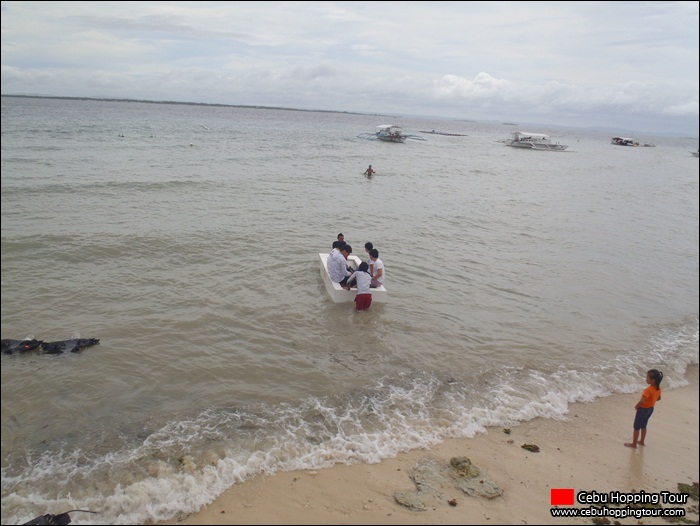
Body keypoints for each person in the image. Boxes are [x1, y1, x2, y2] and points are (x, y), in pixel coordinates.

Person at [624, 369, 663, 448]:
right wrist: (652, 400)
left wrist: (636, 406)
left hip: (643, 409)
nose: (646, 379)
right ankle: (642, 441)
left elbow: (642, 401)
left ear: (653, 380)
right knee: (644, 425)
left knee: (636, 427)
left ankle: (634, 444)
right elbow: (659, 398)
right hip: (651, 409)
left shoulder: (648, 390)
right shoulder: (658, 389)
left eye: (647, 378)